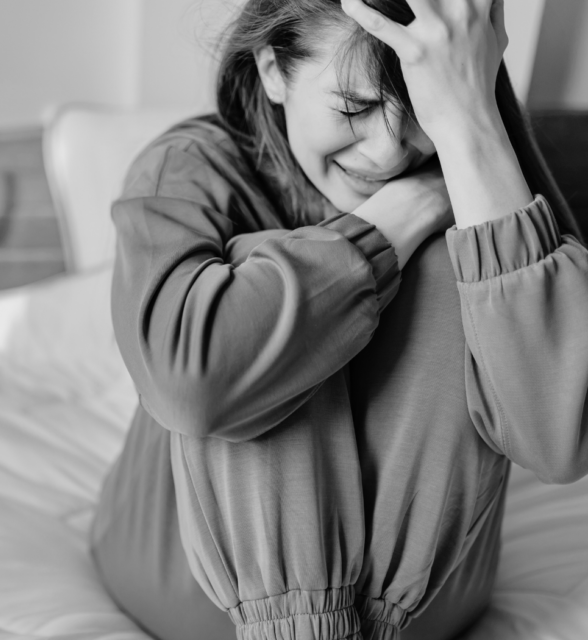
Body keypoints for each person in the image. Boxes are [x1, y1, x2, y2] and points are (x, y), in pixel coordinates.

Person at [89, 1, 588, 639]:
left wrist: (469, 132)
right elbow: (193, 380)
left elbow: (560, 439)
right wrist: (396, 220)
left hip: (419, 608)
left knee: (447, 267)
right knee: (249, 298)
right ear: (273, 69)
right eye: (354, 107)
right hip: (184, 587)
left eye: (424, 114)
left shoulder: (485, 179)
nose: (386, 153)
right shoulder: (190, 168)